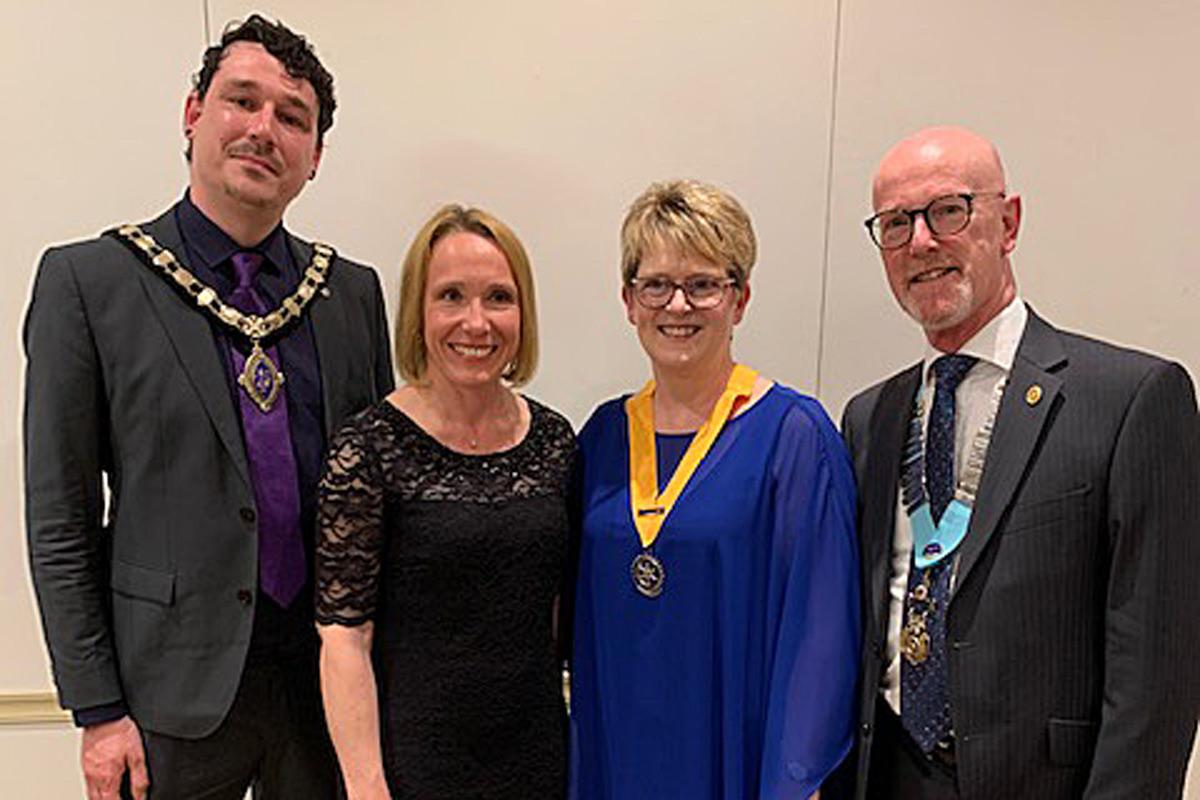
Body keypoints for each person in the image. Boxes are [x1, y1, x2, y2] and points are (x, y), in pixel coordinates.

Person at [24, 15, 393, 800]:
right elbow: (60, 519)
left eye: (292, 118)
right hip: (167, 702)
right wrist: (98, 711)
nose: (264, 130)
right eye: (242, 102)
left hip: (325, 694)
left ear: (315, 157)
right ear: (193, 115)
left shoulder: (350, 295)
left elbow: (379, 503)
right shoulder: (91, 284)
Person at [838, 126, 1200, 798]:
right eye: (896, 223)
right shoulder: (870, 418)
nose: (921, 241)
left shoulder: (1129, 400)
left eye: (948, 210)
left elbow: (1158, 669)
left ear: (1007, 222)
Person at [570, 179, 860, 800]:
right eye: (656, 285)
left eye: (703, 284)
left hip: (737, 755)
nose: (678, 306)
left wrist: (795, 782)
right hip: (615, 747)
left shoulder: (794, 436)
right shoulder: (600, 437)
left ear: (740, 298)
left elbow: (822, 634)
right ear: (628, 299)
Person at [315, 204, 574, 800]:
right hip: (409, 768)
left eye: (498, 298)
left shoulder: (556, 442)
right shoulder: (368, 447)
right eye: (451, 296)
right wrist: (365, 783)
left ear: (523, 312)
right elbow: (343, 638)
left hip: (537, 759)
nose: (476, 322)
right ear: (419, 311)